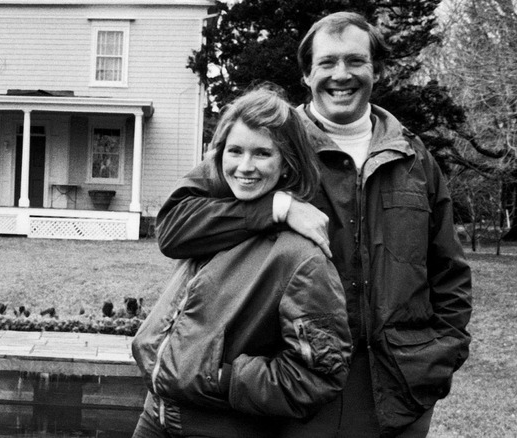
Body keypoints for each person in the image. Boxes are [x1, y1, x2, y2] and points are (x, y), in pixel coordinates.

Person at [155, 11, 473, 438]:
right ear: (306, 74)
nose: (341, 75)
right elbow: (176, 225)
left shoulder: (414, 158)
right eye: (326, 63)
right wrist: (277, 207)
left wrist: (441, 356)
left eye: (355, 61)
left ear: (376, 70)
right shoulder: (269, 143)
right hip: (301, 387)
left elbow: (449, 270)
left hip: (403, 389)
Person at [131, 86, 353, 438]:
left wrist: (226, 379)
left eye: (263, 153)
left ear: (286, 165)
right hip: (155, 416)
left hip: (220, 428)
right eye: (235, 151)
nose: (245, 167)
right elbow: (171, 230)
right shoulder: (215, 217)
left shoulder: (301, 255)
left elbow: (319, 374)